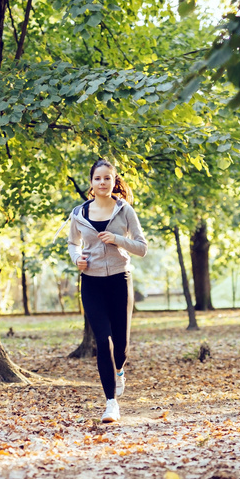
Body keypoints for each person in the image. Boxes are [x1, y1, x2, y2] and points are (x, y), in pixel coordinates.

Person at [67, 159, 148, 423]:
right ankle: (111, 403)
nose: (102, 183)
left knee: (121, 345)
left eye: (107, 178)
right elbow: (72, 244)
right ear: (91, 183)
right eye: (97, 178)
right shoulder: (79, 213)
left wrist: (117, 240)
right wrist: (77, 259)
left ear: (114, 182)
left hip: (119, 279)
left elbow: (142, 247)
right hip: (91, 282)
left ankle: (120, 370)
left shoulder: (125, 210)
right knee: (103, 340)